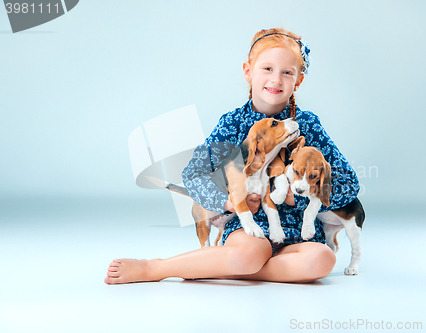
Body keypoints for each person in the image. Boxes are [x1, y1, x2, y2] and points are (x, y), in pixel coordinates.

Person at [104, 28, 359, 285]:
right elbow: (194, 174)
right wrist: (228, 203)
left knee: (323, 260)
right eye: (267, 69)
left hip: (300, 234)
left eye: (287, 72)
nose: (277, 80)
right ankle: (156, 268)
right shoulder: (233, 124)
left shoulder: (307, 124)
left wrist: (302, 196)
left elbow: (350, 183)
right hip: (249, 231)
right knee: (248, 255)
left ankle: (222, 268)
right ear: (248, 71)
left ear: (298, 81)